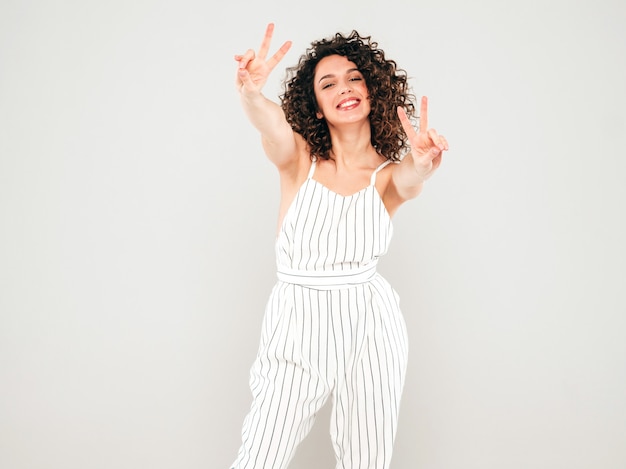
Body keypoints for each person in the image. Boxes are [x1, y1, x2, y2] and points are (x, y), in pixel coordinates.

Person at [230, 23, 448, 469]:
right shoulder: (298, 161)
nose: (344, 89)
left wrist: (423, 161)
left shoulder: (387, 176)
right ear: (315, 106)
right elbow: (270, 124)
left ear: (373, 91)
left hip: (370, 321)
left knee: (367, 456)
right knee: (261, 453)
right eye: (328, 83)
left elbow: (411, 176)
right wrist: (252, 93)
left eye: (354, 78)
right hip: (298, 317)